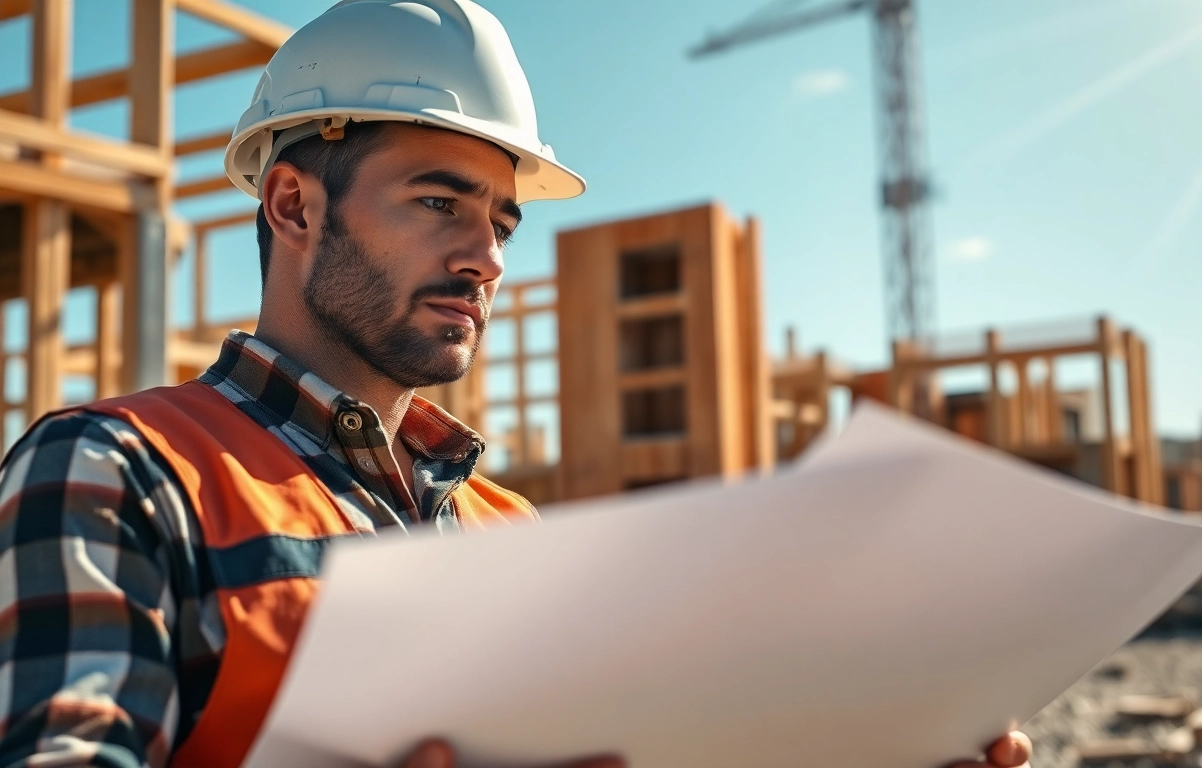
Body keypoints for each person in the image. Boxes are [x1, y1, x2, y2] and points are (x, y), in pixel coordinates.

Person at [0, 2, 1033, 767]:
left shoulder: (512, 533)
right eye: (440, 202)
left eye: (499, 221)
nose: (486, 257)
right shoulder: (113, 472)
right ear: (292, 205)